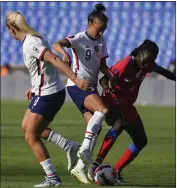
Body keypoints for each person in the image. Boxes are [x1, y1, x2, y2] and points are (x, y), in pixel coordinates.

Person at [6, 11, 90, 187]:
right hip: (44, 91)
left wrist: (75, 79)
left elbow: (54, 60)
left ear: (11, 28)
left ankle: (52, 178)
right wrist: (34, 87)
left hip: (49, 94)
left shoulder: (31, 43)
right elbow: (42, 68)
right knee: (26, 127)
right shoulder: (33, 39)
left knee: (31, 135)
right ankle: (69, 146)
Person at [88, 39, 176, 183]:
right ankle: (96, 164)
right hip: (112, 101)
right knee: (119, 123)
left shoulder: (148, 65)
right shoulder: (124, 65)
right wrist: (108, 86)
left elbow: (166, 72)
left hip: (127, 105)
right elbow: (103, 80)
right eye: (146, 61)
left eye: (150, 62)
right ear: (140, 54)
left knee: (141, 140)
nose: (146, 65)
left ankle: (115, 172)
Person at [53, 3, 116, 184]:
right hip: (77, 85)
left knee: (95, 128)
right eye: (98, 29)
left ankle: (79, 167)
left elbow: (103, 66)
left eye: (103, 30)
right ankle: (84, 151)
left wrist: (112, 77)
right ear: (90, 24)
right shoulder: (79, 38)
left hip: (90, 87)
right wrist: (64, 51)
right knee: (103, 111)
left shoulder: (102, 41)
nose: (101, 33)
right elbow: (57, 44)